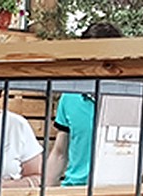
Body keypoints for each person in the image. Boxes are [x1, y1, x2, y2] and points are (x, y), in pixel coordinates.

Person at [45, 22, 125, 187]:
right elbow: (60, 152)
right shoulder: (69, 96)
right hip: (75, 189)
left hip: (117, 191)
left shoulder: (132, 99)